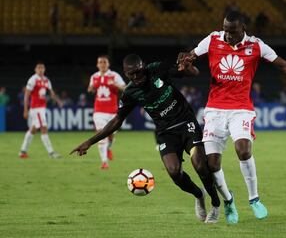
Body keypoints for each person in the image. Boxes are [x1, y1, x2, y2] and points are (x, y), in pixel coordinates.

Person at [177, 10, 286, 224]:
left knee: (243, 149)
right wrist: (184, 61)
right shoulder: (212, 39)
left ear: (243, 29)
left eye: (232, 31)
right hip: (214, 110)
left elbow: (285, 66)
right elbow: (189, 57)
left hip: (241, 108)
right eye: (225, 30)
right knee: (212, 164)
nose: (227, 35)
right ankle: (228, 201)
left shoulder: (256, 46)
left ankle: (254, 199)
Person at [71, 54, 221, 223]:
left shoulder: (157, 69)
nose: (136, 77)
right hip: (165, 132)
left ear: (143, 67)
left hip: (185, 122)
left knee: (200, 164)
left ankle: (215, 204)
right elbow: (117, 120)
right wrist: (90, 142)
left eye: (138, 72)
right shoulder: (130, 92)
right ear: (126, 75)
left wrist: (187, 68)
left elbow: (190, 73)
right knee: (174, 172)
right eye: (131, 74)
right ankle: (199, 195)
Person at [88, 55, 126, 169]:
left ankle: (108, 148)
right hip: (99, 111)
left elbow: (125, 88)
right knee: (101, 134)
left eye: (104, 62)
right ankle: (104, 162)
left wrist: (114, 84)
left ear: (108, 64)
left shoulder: (114, 75)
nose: (102, 64)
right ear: (97, 64)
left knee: (111, 137)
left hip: (113, 112)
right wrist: (92, 87)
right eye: (100, 62)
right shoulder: (94, 76)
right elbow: (90, 90)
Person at [19, 62, 63, 159]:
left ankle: (23, 151)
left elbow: (51, 93)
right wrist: (25, 110)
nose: (40, 69)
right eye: (38, 68)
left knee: (33, 130)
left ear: (44, 69)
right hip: (36, 108)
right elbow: (26, 95)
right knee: (44, 128)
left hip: (42, 108)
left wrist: (58, 101)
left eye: (42, 68)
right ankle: (51, 153)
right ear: (35, 70)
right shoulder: (33, 79)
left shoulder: (46, 80)